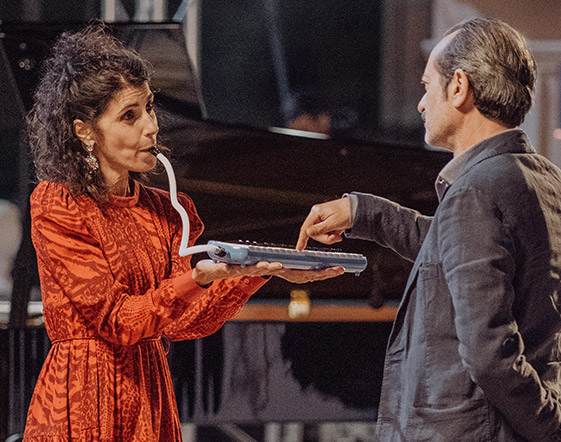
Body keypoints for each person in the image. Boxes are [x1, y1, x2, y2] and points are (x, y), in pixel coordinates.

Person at [22, 24, 343, 441]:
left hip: (150, 396)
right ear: (85, 132)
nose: (151, 127)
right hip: (85, 399)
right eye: (129, 116)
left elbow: (184, 323)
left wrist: (259, 270)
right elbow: (117, 322)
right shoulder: (58, 203)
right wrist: (195, 279)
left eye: (149, 108)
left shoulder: (167, 210)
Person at [296, 17, 561, 442]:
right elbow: (458, 249)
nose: (421, 104)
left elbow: (490, 356)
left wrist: (550, 428)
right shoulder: (541, 177)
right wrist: (364, 213)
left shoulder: (476, 190)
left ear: (458, 87)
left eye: (426, 85)